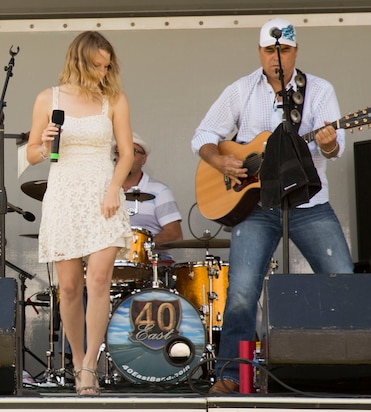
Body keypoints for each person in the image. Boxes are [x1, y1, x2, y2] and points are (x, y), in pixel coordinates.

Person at [191, 18, 353, 394]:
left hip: (310, 203)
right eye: (269, 50)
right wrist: (220, 162)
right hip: (256, 207)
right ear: (260, 52)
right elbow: (202, 134)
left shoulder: (319, 90)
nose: (276, 58)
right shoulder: (241, 90)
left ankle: (351, 367)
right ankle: (232, 374)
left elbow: (335, 147)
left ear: (295, 51)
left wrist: (328, 141)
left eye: (284, 50)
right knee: (242, 291)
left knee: (343, 281)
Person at [25, 31, 134, 396]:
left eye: (107, 66)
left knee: (98, 280)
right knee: (69, 287)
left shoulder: (114, 99)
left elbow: (126, 153)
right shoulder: (48, 98)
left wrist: (113, 190)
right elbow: (30, 155)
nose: (103, 73)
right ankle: (75, 359)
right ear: (79, 61)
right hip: (64, 193)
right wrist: (42, 144)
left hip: (102, 191)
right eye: (97, 66)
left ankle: (90, 365)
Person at [118, 134, 183, 260]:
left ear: (143, 159)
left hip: (150, 266)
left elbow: (174, 235)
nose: (125, 157)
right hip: (111, 266)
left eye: (132, 152)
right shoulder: (105, 191)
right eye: (119, 152)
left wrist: (140, 243)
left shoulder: (159, 191)